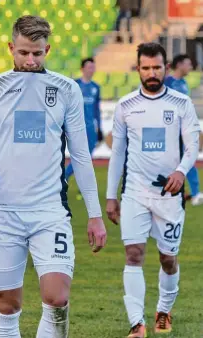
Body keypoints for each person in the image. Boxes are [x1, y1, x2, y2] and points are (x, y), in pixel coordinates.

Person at [0, 15, 107, 338]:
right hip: (2, 214)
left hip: (49, 212)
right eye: (24, 52)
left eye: (38, 54)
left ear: (48, 50)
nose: (30, 61)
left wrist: (95, 215)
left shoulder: (66, 90)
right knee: (6, 306)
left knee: (57, 298)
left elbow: (81, 156)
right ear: (11, 48)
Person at [106, 43, 200, 337]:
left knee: (167, 259)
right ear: (137, 69)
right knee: (133, 254)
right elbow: (117, 153)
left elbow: (193, 145)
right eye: (145, 68)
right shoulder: (125, 106)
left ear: (166, 69)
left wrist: (181, 171)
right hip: (134, 192)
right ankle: (137, 322)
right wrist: (111, 196)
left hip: (169, 196)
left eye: (157, 67)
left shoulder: (182, 104)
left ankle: (163, 310)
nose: (151, 73)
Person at [165, 54, 203, 206]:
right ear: (179, 65)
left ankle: (195, 193)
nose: (191, 67)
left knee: (189, 158)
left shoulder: (184, 83)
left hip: (183, 129)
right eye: (188, 64)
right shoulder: (168, 81)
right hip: (169, 130)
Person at [65, 58, 103, 190]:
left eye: (93, 67)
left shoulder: (96, 87)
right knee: (80, 157)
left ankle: (64, 180)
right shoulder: (74, 85)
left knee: (86, 159)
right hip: (76, 127)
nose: (91, 70)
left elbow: (97, 110)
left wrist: (100, 129)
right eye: (89, 67)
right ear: (82, 69)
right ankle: (63, 179)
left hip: (91, 129)